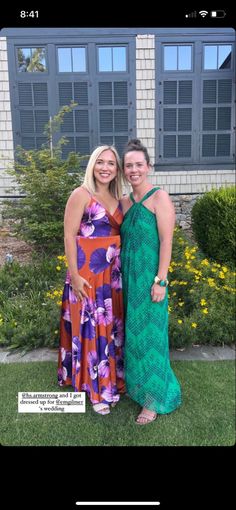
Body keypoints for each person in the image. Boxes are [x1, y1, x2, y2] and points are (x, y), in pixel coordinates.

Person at [58, 145, 125, 415]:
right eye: (100, 162)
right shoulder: (81, 194)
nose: (105, 167)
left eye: (111, 163)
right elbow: (69, 236)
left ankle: (112, 382)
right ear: (92, 166)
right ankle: (96, 390)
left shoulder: (121, 199)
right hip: (86, 273)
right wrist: (74, 276)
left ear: (117, 169)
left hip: (113, 275)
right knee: (92, 330)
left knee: (111, 330)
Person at [120, 139, 181, 425]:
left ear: (148, 167)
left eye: (138, 164)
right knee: (133, 338)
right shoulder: (123, 202)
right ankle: (137, 388)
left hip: (151, 282)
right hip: (128, 281)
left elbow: (167, 241)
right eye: (129, 165)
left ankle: (153, 400)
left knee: (152, 339)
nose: (134, 170)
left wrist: (161, 281)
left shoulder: (160, 198)